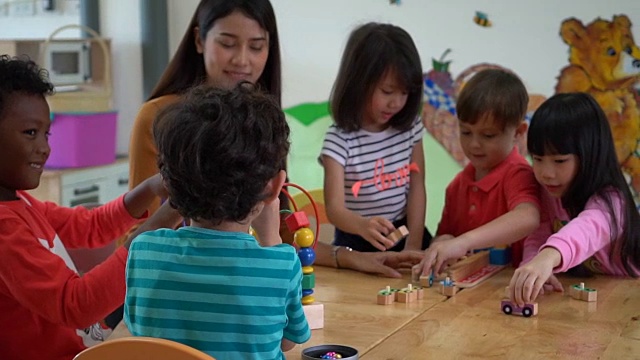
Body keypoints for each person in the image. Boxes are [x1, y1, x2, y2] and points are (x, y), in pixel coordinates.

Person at [0, 55, 174, 360]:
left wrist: (148, 188)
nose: (45, 147)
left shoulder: (22, 203)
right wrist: (161, 221)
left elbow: (90, 226)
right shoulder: (4, 229)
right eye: (30, 133)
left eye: (46, 133)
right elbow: (75, 304)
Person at [124, 84, 310, 359]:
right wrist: (273, 241)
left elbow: (137, 328)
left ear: (169, 183)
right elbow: (287, 342)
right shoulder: (280, 264)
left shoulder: (143, 252)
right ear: (275, 188)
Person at [128, 0, 283, 215]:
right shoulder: (157, 117)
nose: (241, 60)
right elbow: (135, 232)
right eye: (227, 44)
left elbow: (281, 226)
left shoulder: (264, 120)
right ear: (199, 40)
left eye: (256, 46)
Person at [509, 93, 640, 306]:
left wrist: (548, 258)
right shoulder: (550, 192)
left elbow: (587, 230)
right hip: (591, 295)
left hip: (628, 297)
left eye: (560, 160)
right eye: (538, 159)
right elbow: (538, 234)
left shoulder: (612, 201)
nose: (546, 173)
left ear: (591, 155)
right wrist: (532, 267)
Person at [414, 69, 541, 277]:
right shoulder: (457, 185)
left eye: (488, 135)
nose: (474, 144)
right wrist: (442, 241)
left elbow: (528, 217)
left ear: (518, 132)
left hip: (510, 290)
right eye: (465, 132)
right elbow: (446, 235)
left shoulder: (518, 173)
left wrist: (464, 242)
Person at [320, 22, 431, 253]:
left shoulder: (410, 127)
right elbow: (334, 209)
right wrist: (362, 225)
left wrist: (414, 242)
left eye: (404, 93)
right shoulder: (339, 141)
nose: (397, 103)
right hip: (358, 238)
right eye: (387, 91)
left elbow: (417, 186)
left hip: (407, 232)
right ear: (358, 83)